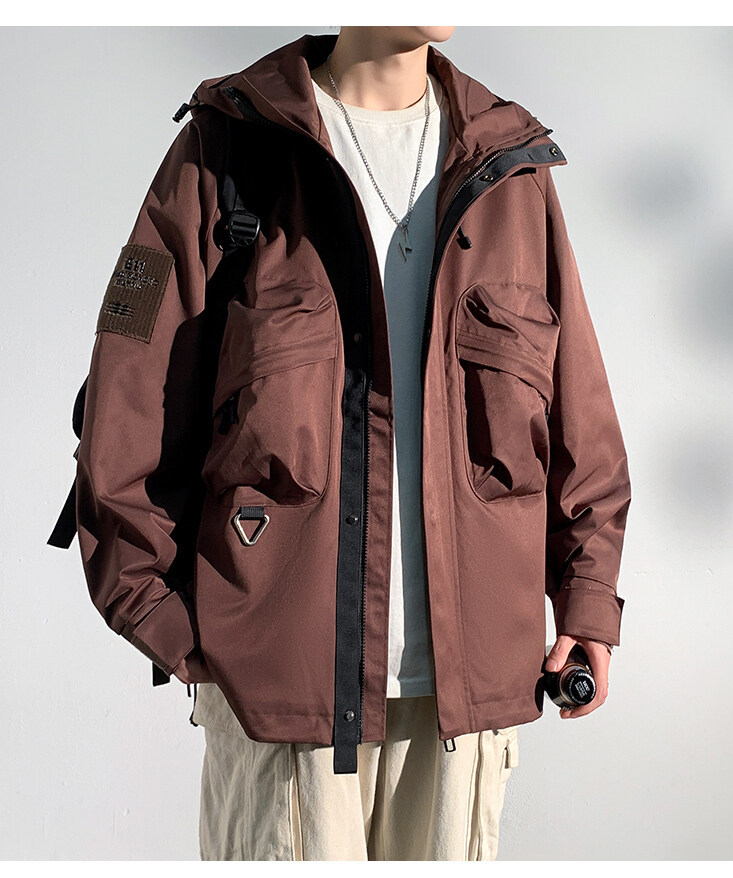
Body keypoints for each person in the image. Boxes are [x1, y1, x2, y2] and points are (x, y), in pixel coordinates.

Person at [72, 26, 630, 861]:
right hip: (278, 702)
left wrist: (587, 597)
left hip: (463, 708)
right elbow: (125, 387)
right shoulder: (227, 150)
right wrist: (167, 620)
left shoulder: (510, 168)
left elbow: (577, 405)